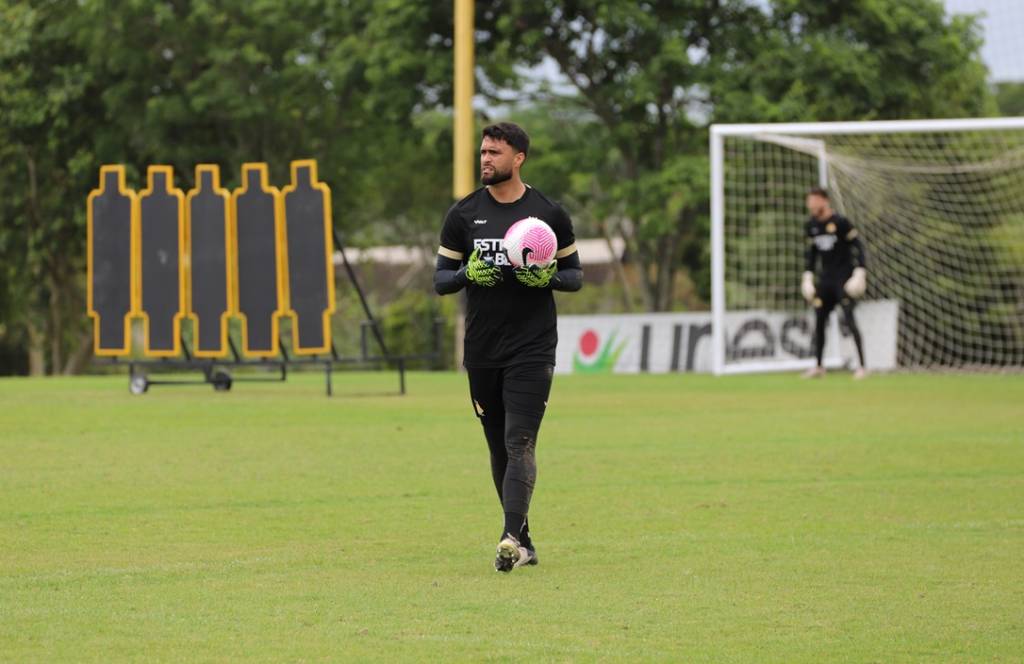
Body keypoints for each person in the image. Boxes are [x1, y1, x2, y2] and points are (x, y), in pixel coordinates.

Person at [434, 122, 583, 572]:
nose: (485, 159)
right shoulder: (463, 215)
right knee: (498, 445)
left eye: (494, 153)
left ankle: (507, 538)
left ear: (518, 158)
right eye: (482, 152)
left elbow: (575, 275)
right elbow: (440, 280)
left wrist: (549, 278)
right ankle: (524, 539)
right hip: (482, 348)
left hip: (532, 347)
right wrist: (466, 276)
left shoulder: (547, 214)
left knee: (520, 440)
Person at [801, 187, 868, 379]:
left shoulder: (841, 222)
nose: (810, 205)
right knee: (820, 320)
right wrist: (807, 276)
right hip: (825, 280)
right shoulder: (812, 225)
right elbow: (812, 255)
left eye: (813, 201)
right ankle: (819, 366)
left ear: (824, 201)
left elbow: (859, 247)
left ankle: (862, 366)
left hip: (843, 279)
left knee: (849, 319)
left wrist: (860, 271)